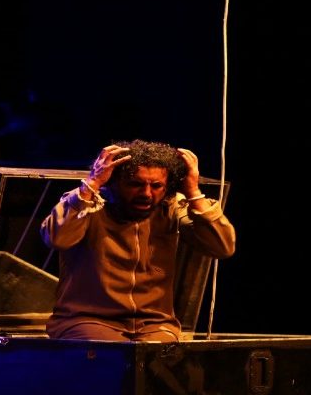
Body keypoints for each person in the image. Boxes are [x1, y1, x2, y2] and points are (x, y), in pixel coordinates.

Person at [40, 139, 235, 342]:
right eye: (135, 184)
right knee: (112, 352)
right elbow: (57, 239)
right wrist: (92, 184)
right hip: (87, 319)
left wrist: (193, 192)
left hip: (154, 323)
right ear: (114, 182)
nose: (146, 193)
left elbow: (222, 247)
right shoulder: (87, 202)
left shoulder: (171, 207)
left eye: (157, 186)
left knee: (163, 357)